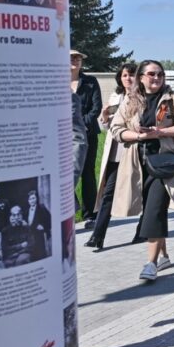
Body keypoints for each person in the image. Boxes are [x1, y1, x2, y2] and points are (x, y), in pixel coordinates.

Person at [109, 60, 174, 282]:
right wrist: (139, 136)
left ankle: (151, 263)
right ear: (141, 78)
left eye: (160, 74)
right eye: (151, 74)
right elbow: (116, 129)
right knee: (151, 210)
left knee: (155, 210)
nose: (156, 78)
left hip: (165, 163)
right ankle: (164, 255)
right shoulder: (130, 100)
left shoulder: (172, 98)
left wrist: (160, 132)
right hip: (138, 164)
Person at [86, 62, 137, 251]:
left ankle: (143, 230)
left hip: (135, 149)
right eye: (125, 75)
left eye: (132, 74)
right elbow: (108, 126)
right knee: (108, 192)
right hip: (116, 150)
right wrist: (105, 116)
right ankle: (97, 236)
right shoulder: (116, 96)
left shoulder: (144, 96)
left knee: (143, 192)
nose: (128, 78)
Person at [71, 50, 102, 227]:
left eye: (78, 58)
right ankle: (70, 209)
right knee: (66, 174)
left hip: (88, 133)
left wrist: (81, 125)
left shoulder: (90, 82)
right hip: (63, 136)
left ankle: (90, 214)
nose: (75, 60)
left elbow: (96, 108)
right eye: (71, 57)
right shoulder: (56, 81)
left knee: (87, 173)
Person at [24, 189, 51, 261]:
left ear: (36, 199)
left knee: (41, 254)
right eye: (30, 199)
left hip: (40, 236)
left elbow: (49, 219)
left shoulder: (41, 208)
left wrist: (44, 227)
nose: (32, 200)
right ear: (28, 201)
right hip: (31, 237)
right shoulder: (27, 211)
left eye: (33, 198)